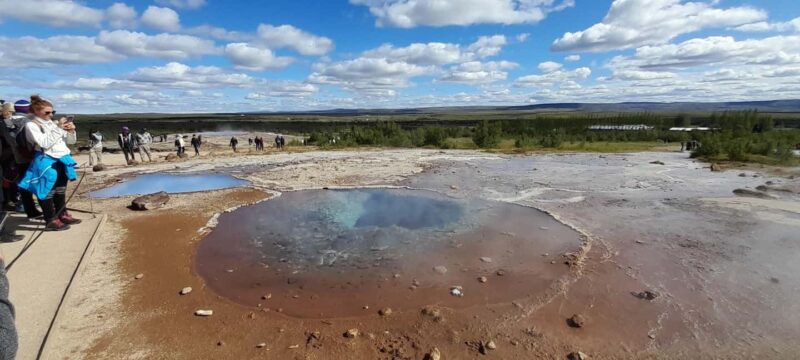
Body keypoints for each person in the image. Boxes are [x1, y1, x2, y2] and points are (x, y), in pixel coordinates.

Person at [17, 95, 81, 231]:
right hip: (46, 159)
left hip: (61, 158)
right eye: (47, 112)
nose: (51, 115)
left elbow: (70, 142)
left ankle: (62, 214)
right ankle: (50, 219)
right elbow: (44, 143)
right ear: (36, 111)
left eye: (53, 112)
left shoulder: (52, 123)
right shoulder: (31, 125)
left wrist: (71, 131)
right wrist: (58, 128)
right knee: (46, 190)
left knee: (60, 190)